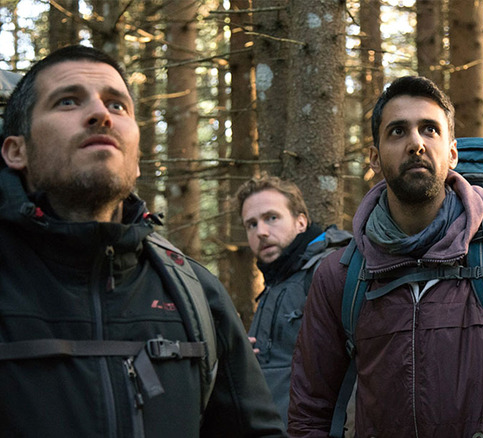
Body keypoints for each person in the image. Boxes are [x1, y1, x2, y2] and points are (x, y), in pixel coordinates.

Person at [0, 45, 285, 437]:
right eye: (67, 101)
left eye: (117, 106)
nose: (101, 114)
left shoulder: (195, 293)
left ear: (135, 159)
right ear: (17, 150)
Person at [288, 75, 483, 436]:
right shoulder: (341, 275)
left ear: (453, 153)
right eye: (397, 132)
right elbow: (309, 412)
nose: (416, 143)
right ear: (374, 158)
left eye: (429, 130)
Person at [236, 175, 351, 427]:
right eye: (251, 225)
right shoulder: (275, 285)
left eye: (272, 218)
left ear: (301, 222)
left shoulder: (328, 271)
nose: (261, 232)